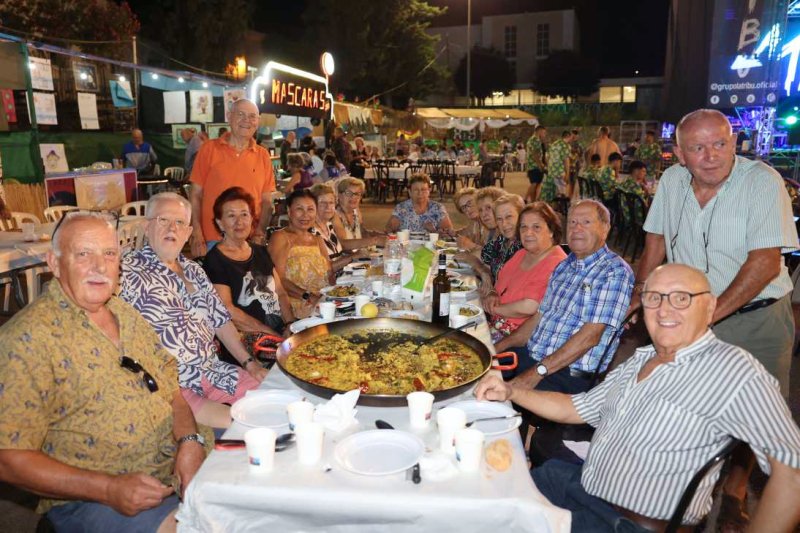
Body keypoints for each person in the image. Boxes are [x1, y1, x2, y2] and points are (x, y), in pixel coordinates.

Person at [476, 264, 800, 533]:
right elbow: (577, 408)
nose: (664, 309)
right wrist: (512, 391)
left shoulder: (733, 371)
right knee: (482, 495)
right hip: (580, 487)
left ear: (711, 306)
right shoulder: (643, 357)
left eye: (682, 298)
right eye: (654, 298)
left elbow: (792, 473)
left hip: (626, 524)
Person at [632, 108, 800, 529]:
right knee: (687, 404)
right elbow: (655, 240)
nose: (711, 156)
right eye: (698, 147)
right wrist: (642, 294)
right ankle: (687, 485)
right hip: (689, 315)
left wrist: (706, 317)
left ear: (734, 143)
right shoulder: (671, 182)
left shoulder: (761, 181)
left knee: (755, 417)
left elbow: (764, 263)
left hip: (756, 318)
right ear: (679, 153)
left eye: (720, 144)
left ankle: (735, 491)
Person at [0, 213, 207, 532]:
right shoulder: (27, 339)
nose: (99, 266)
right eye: (83, 254)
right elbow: (8, 458)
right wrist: (109, 488)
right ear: (54, 263)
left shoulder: (124, 313)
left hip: (173, 461)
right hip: (95, 499)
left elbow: (170, 390)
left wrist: (190, 442)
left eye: (109, 254)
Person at [120, 193, 267, 429]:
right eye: (163, 220)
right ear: (147, 227)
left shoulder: (194, 270)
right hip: (172, 386)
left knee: (274, 402)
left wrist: (250, 363)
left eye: (179, 223)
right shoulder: (126, 271)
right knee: (244, 425)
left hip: (214, 371)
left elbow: (221, 321)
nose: (172, 228)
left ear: (188, 233)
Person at [497, 200, 634, 392]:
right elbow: (538, 317)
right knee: (475, 366)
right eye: (572, 222)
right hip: (534, 356)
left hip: (566, 373)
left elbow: (590, 337)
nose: (577, 228)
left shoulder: (614, 272)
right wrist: (497, 347)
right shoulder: (564, 266)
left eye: (586, 222)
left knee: (490, 392)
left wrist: (536, 372)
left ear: (605, 229)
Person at [202, 187, 295, 344]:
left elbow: (280, 293)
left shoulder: (260, 251)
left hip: (280, 333)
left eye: (244, 214)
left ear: (252, 218)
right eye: (231, 216)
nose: (239, 222)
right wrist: (271, 335)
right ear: (220, 223)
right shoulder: (214, 261)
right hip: (248, 342)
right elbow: (228, 311)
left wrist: (290, 325)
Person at [189, 99, 275, 256]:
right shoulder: (209, 149)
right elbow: (195, 194)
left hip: (249, 241)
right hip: (213, 240)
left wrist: (260, 232)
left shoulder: (263, 155)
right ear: (229, 116)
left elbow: (267, 201)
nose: (246, 121)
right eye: (240, 114)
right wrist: (196, 231)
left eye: (252, 116)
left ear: (258, 121)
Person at [482, 202, 567, 343]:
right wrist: (492, 293)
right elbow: (501, 285)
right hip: (495, 325)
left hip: (516, 338)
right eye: (523, 227)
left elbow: (529, 307)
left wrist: (493, 309)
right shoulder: (522, 253)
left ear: (551, 231)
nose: (528, 233)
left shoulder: (556, 262)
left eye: (536, 227)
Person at [268, 189, 333, 317]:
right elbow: (278, 280)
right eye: (299, 209)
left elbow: (330, 274)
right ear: (288, 211)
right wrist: (308, 296)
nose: (305, 215)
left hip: (323, 304)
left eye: (310, 209)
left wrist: (335, 296)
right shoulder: (281, 237)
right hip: (297, 306)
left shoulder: (318, 239)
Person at [467, 194, 525, 293]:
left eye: (509, 217)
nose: (504, 224)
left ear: (522, 216)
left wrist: (484, 273)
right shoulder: (502, 240)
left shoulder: (525, 245)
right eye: (499, 219)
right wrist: (484, 272)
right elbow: (475, 256)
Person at [386, 173, 454, 234]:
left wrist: (434, 231)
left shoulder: (438, 208)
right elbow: (389, 230)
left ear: (429, 191)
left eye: (423, 189)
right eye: (416, 190)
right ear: (410, 192)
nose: (420, 193)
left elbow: (448, 232)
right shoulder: (401, 208)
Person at [332, 177, 385, 248]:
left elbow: (361, 232)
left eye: (357, 194)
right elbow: (343, 244)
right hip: (345, 257)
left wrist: (379, 235)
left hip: (359, 254)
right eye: (348, 193)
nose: (353, 197)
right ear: (339, 195)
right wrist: (375, 240)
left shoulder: (356, 210)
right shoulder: (334, 215)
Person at [541, 130, 573, 202]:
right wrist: (567, 173)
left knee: (555, 191)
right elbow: (566, 160)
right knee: (562, 192)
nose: (571, 139)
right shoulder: (565, 145)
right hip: (560, 171)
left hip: (552, 171)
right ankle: (561, 209)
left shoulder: (554, 144)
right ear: (568, 136)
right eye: (571, 137)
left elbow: (547, 158)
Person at [525, 126, 547, 203]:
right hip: (535, 166)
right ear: (539, 131)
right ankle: (531, 200)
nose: (544, 134)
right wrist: (540, 165)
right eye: (544, 132)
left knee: (535, 183)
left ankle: (531, 200)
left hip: (531, 165)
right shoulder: (536, 140)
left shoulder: (531, 140)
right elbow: (536, 154)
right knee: (535, 183)